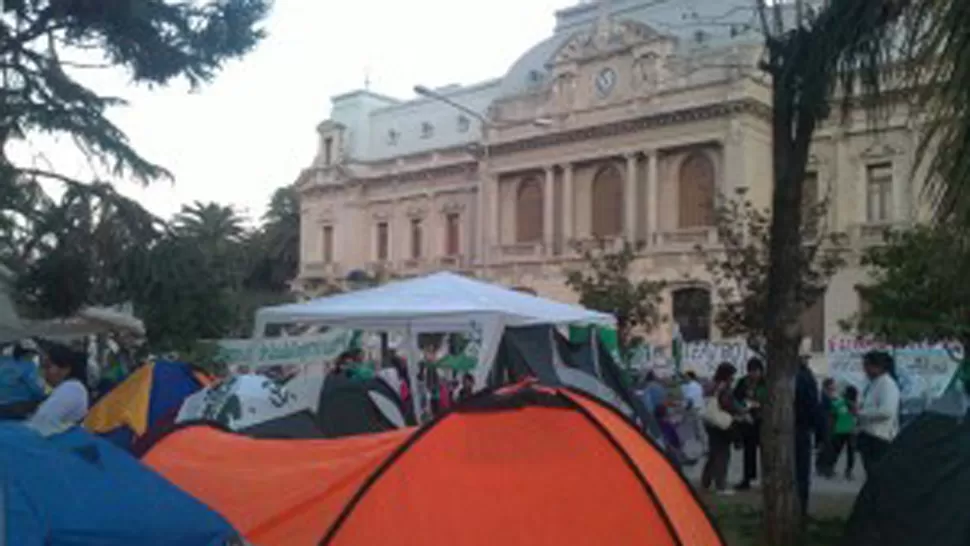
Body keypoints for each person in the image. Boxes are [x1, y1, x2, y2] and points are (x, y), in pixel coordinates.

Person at [27, 344, 90, 435]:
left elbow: (42, 421)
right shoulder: (70, 388)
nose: (44, 372)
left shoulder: (72, 389)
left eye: (47, 366)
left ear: (65, 369)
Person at [857, 350, 901, 475]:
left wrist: (861, 413)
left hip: (879, 437)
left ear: (878, 366)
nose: (865, 370)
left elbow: (886, 411)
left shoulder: (887, 384)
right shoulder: (874, 384)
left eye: (867, 365)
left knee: (877, 474)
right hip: (868, 434)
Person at [701, 362, 741, 496]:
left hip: (709, 423)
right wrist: (741, 410)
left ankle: (706, 480)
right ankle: (721, 485)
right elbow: (727, 404)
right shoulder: (723, 388)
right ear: (727, 375)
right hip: (721, 423)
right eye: (732, 376)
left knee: (714, 453)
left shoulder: (711, 385)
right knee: (723, 454)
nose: (733, 379)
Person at [733, 358, 767, 490]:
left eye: (756, 371)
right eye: (751, 372)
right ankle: (747, 478)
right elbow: (736, 398)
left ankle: (766, 479)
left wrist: (760, 405)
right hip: (747, 419)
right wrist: (743, 407)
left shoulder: (766, 382)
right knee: (749, 451)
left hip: (763, 420)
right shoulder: (743, 382)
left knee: (766, 452)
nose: (753, 374)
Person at [794, 357, 820, 518]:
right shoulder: (807, 377)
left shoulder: (797, 377)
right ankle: (801, 508)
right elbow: (814, 406)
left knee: (798, 472)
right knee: (801, 473)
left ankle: (799, 508)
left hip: (796, 427)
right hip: (803, 428)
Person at [821, 385, 859, 480]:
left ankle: (830, 469)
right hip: (850, 431)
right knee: (850, 453)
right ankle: (848, 472)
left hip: (840, 430)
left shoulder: (840, 403)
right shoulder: (853, 404)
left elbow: (832, 415)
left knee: (836, 451)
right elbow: (857, 416)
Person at [0, 344, 46, 419]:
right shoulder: (28, 365)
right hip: (19, 407)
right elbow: (36, 389)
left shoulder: (3, 362)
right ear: (28, 353)